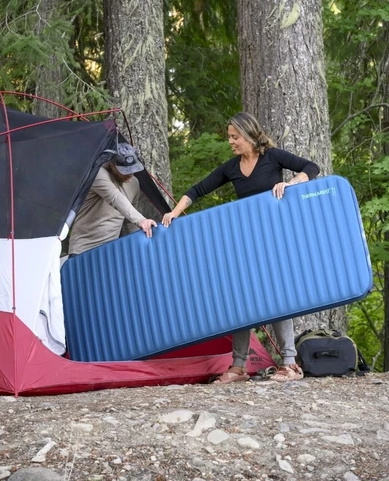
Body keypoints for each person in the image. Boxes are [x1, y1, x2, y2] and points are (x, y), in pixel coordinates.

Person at [162, 112, 320, 384]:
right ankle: (238, 368)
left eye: (235, 137)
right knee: (242, 298)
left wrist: (290, 184)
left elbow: (311, 167)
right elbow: (198, 190)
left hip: (275, 240)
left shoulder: (272, 157)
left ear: (248, 135)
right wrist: (174, 212)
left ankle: (290, 364)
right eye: (229, 137)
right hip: (247, 243)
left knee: (278, 297)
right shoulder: (232, 168)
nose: (231, 142)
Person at [68, 142, 157, 256]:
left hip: (111, 250)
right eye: (125, 170)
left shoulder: (134, 183)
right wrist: (142, 220)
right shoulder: (97, 174)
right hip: (83, 249)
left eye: (132, 169)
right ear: (111, 165)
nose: (130, 173)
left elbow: (130, 222)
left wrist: (138, 245)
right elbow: (115, 198)